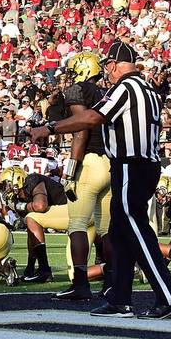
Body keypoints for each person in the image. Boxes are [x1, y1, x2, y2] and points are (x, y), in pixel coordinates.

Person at [29, 40, 171, 319]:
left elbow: (91, 118)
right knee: (119, 233)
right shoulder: (148, 89)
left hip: (130, 165)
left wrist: (50, 127)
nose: (107, 73)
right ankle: (120, 299)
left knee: (136, 230)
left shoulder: (125, 87)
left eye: (108, 67)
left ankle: (168, 296)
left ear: (113, 65)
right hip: (140, 165)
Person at [47, 51, 112, 301]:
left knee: (77, 225)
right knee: (106, 229)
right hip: (109, 162)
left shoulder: (77, 90)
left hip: (90, 162)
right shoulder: (105, 93)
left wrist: (70, 169)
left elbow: (81, 131)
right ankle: (111, 282)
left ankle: (81, 283)